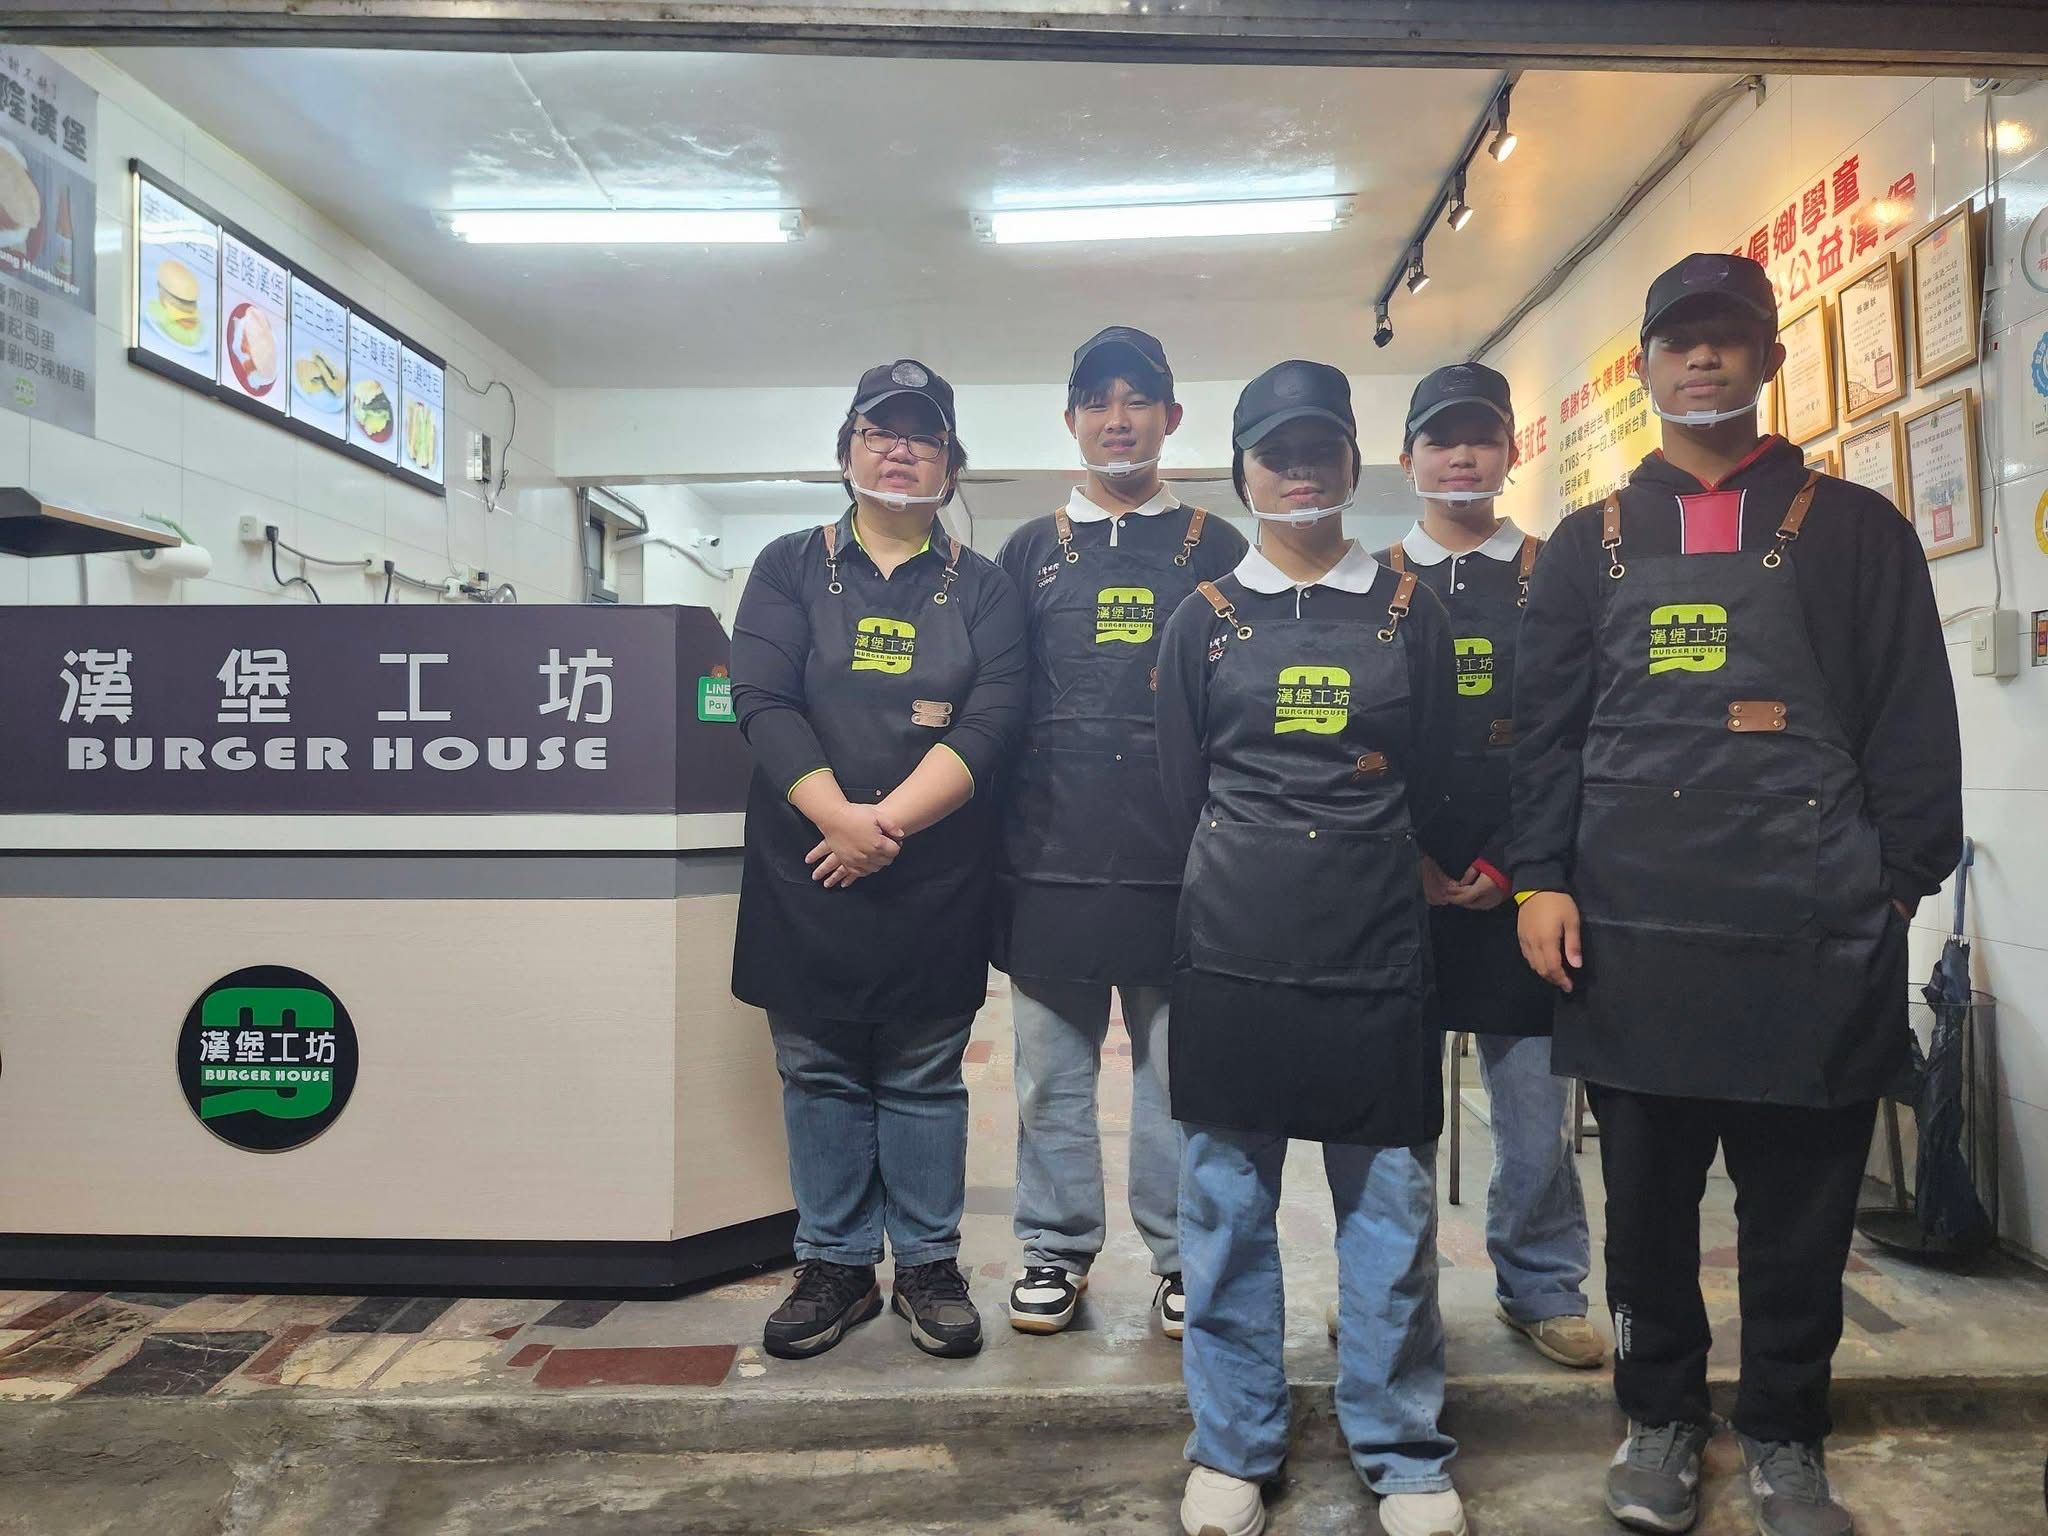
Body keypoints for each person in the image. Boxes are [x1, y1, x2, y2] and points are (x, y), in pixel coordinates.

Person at [1512, 253, 1961, 1536]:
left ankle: (1782, 1432)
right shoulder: (1588, 545)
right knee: (1646, 1213)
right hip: (1631, 935)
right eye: (1678, 340)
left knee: (1798, 1218)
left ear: (1767, 358)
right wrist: (1538, 877)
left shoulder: (1856, 530)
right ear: (1645, 368)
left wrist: (1893, 890)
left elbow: (1911, 723)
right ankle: (1657, 1419)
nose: (1701, 358)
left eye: (1726, 338)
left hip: (1810, 935)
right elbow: (1542, 733)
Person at [1157, 360, 1469, 1536]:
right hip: (1232, 945)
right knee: (1225, 1209)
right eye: (1274, 454)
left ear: (1352, 462)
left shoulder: (1408, 609)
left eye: (1317, 451)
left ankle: (1400, 1448)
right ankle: (1232, 1444)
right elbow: (1178, 787)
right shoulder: (1201, 618)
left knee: (1387, 1209)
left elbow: (1438, 766)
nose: (1297, 472)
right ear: (1241, 472)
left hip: (1374, 946)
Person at [729, 359, 1027, 1363]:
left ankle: (930, 1267)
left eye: (923, 436)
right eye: (879, 431)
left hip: (931, 873)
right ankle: (836, 1267)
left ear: (950, 462)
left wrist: (882, 826)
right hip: (804, 865)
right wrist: (836, 819)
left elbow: (992, 721)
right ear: (847, 451)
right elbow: (762, 700)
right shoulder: (786, 566)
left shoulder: (982, 586)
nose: (900, 450)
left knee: (923, 1076)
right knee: (816, 1072)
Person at [994, 326, 1248, 1340]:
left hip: (1178, 859)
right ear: (1070, 420)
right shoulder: (1025, 552)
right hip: (1045, 858)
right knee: (1048, 1077)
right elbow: (995, 706)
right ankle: (1054, 1248)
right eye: (1096, 401)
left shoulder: (1218, 547)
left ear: (1170, 417)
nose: (1117, 418)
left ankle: (1181, 1255)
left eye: (1136, 399)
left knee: (1174, 1077)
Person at [1374, 363, 1604, 1371]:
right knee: (1394, 1114)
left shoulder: (1560, 572)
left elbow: (1577, 734)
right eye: (1440, 439)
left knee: (1534, 1113)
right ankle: (1390, 1297)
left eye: (1480, 437)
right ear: (1407, 459)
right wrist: (1414, 861)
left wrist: (1517, 864)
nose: (1461, 456)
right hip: (1400, 891)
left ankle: (1542, 1287)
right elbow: (1357, 742)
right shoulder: (1372, 581)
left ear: (1513, 450)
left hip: (1530, 887)